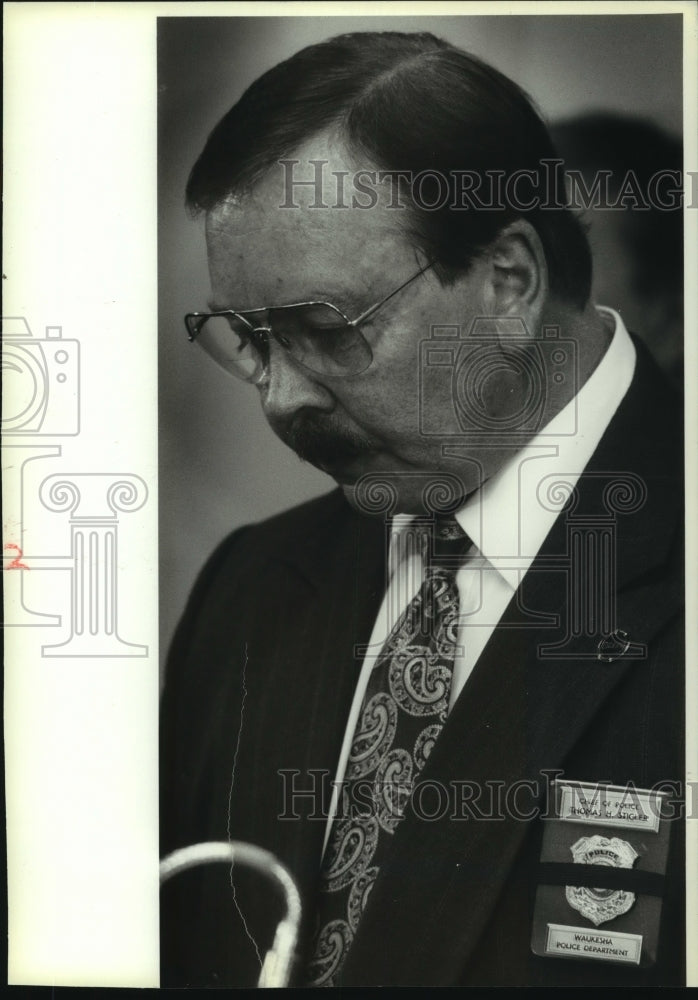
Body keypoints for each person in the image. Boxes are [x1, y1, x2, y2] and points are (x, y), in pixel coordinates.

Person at [160, 32, 684, 987]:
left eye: (324, 330)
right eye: (247, 340)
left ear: (510, 284)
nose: (280, 399)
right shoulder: (249, 589)